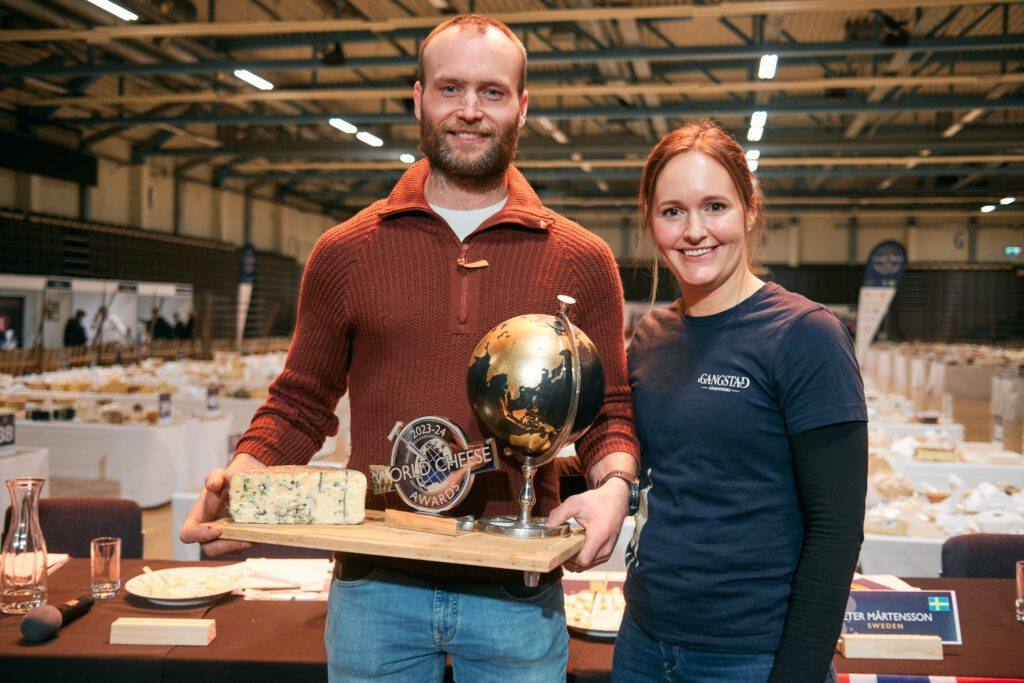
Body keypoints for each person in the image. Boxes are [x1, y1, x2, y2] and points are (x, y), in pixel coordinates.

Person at [180, 14, 639, 682]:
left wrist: (615, 485)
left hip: (514, 588)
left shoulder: (581, 258)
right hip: (375, 590)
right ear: (417, 95)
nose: (470, 111)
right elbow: (301, 402)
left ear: (523, 106)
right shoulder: (345, 251)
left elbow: (610, 407)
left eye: (493, 92)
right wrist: (242, 476)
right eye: (451, 88)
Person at [615, 119, 867, 682]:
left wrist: (797, 673)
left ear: (750, 210)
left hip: (751, 654)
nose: (694, 231)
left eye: (715, 207)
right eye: (672, 211)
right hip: (643, 640)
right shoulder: (653, 336)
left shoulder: (806, 335)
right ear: (652, 221)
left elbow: (837, 529)